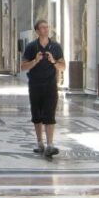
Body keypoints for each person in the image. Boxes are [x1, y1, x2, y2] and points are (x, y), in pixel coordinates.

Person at [21, 20, 65, 158]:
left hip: (51, 84)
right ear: (37, 31)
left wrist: (53, 61)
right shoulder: (31, 47)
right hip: (35, 84)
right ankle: (40, 143)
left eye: (47, 27)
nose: (46, 30)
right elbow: (22, 66)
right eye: (43, 28)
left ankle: (50, 145)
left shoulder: (56, 46)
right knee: (37, 114)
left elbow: (63, 67)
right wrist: (35, 61)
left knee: (50, 114)